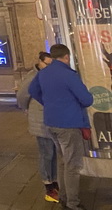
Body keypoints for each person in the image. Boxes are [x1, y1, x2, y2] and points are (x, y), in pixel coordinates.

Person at [28, 44, 93, 210]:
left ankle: (63, 197)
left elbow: (32, 90)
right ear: (66, 57)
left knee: (63, 161)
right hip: (69, 124)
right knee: (73, 165)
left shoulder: (44, 73)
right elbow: (86, 99)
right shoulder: (68, 75)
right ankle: (73, 203)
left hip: (51, 122)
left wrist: (49, 103)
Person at [18, 51, 59, 203]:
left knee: (52, 152)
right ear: (39, 62)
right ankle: (48, 184)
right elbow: (22, 95)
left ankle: (54, 181)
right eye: (46, 64)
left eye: (50, 64)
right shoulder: (32, 76)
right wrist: (25, 109)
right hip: (39, 120)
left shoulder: (48, 74)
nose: (48, 67)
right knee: (46, 153)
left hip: (49, 119)